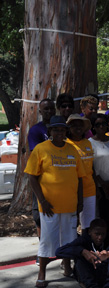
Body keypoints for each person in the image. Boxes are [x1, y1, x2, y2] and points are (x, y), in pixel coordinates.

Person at [25, 115, 85, 288]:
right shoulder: (41, 149)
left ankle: (67, 267)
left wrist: (80, 201)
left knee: (69, 239)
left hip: (70, 204)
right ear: (50, 131)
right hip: (49, 206)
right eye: (55, 129)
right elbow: (32, 177)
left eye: (62, 129)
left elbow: (80, 178)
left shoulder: (72, 150)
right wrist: (42, 200)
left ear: (66, 131)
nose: (59, 132)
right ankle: (42, 272)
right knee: (48, 239)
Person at [28, 99, 56, 244]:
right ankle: (42, 247)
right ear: (40, 112)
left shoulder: (61, 127)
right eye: (46, 109)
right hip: (40, 179)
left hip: (58, 178)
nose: (49, 111)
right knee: (39, 214)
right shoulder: (36, 130)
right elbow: (36, 154)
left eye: (52, 108)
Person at [89, 114, 109, 235]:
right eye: (98, 124)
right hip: (97, 186)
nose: (101, 126)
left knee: (108, 215)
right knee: (97, 215)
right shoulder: (90, 143)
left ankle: (108, 240)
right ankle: (96, 240)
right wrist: (102, 183)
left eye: (103, 123)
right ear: (94, 127)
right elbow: (91, 166)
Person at [66, 114, 96, 234]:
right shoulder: (66, 144)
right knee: (72, 222)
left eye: (80, 125)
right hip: (72, 190)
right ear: (69, 128)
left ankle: (87, 246)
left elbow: (92, 167)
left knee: (88, 223)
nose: (78, 128)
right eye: (74, 125)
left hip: (89, 189)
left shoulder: (88, 143)